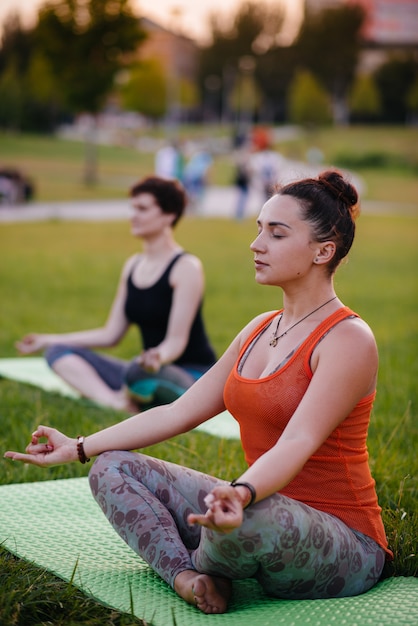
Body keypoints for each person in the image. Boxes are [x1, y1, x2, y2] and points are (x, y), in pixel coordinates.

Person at [5, 170, 392, 615]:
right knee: (112, 468)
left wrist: (241, 494)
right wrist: (78, 447)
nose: (256, 244)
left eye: (277, 233)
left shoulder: (348, 339)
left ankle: (214, 553)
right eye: (258, 229)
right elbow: (177, 411)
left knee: (250, 518)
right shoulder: (258, 329)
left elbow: (298, 442)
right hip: (253, 504)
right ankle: (190, 577)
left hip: (345, 543)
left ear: (324, 250)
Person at [15, 176, 216, 412]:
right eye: (133, 208)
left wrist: (157, 358)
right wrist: (49, 339)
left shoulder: (186, 267)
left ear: (169, 215)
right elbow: (111, 334)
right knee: (57, 352)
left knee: (135, 372)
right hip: (146, 370)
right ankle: (115, 403)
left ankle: (132, 395)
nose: (133, 215)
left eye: (142, 208)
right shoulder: (133, 265)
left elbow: (176, 341)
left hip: (191, 376)